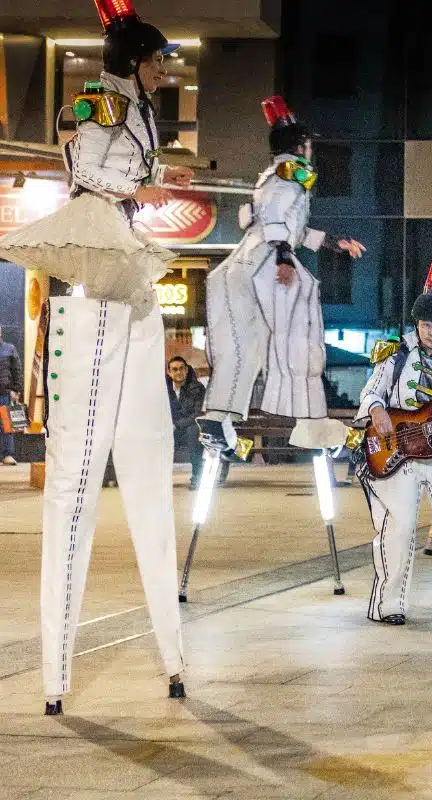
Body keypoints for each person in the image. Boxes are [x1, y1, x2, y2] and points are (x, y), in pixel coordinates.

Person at [0, 0, 190, 713]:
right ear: (131, 61)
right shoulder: (103, 106)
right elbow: (82, 160)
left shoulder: (136, 109)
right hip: (100, 239)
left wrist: (146, 188)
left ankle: (169, 656)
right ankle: (56, 674)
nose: (159, 69)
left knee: (145, 453)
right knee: (77, 481)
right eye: (152, 59)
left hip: (125, 247)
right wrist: (140, 187)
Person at [199, 95, 366, 456]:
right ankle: (310, 423)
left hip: (244, 262)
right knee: (301, 334)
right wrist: (285, 257)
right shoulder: (291, 173)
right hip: (267, 263)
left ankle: (217, 420)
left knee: (243, 346)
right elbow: (279, 219)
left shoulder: (272, 174)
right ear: (300, 145)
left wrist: (335, 244)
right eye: (309, 143)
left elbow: (293, 227)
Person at [355, 263, 432, 625]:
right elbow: (371, 394)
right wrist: (377, 411)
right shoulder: (394, 357)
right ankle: (389, 604)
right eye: (426, 325)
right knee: (400, 527)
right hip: (398, 453)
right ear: (417, 324)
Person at [166, 356, 207, 489]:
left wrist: (177, 424)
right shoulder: (164, 390)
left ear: (187, 370)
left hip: (189, 428)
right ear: (169, 372)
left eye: (182, 368)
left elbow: (198, 414)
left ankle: (197, 476)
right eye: (175, 369)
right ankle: (159, 480)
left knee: (193, 432)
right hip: (170, 429)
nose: (179, 372)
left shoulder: (197, 388)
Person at [0, 325, 21, 465]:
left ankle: (8, 454)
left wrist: (16, 389)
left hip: (5, 393)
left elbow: (17, 370)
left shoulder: (9, 348)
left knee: (6, 425)